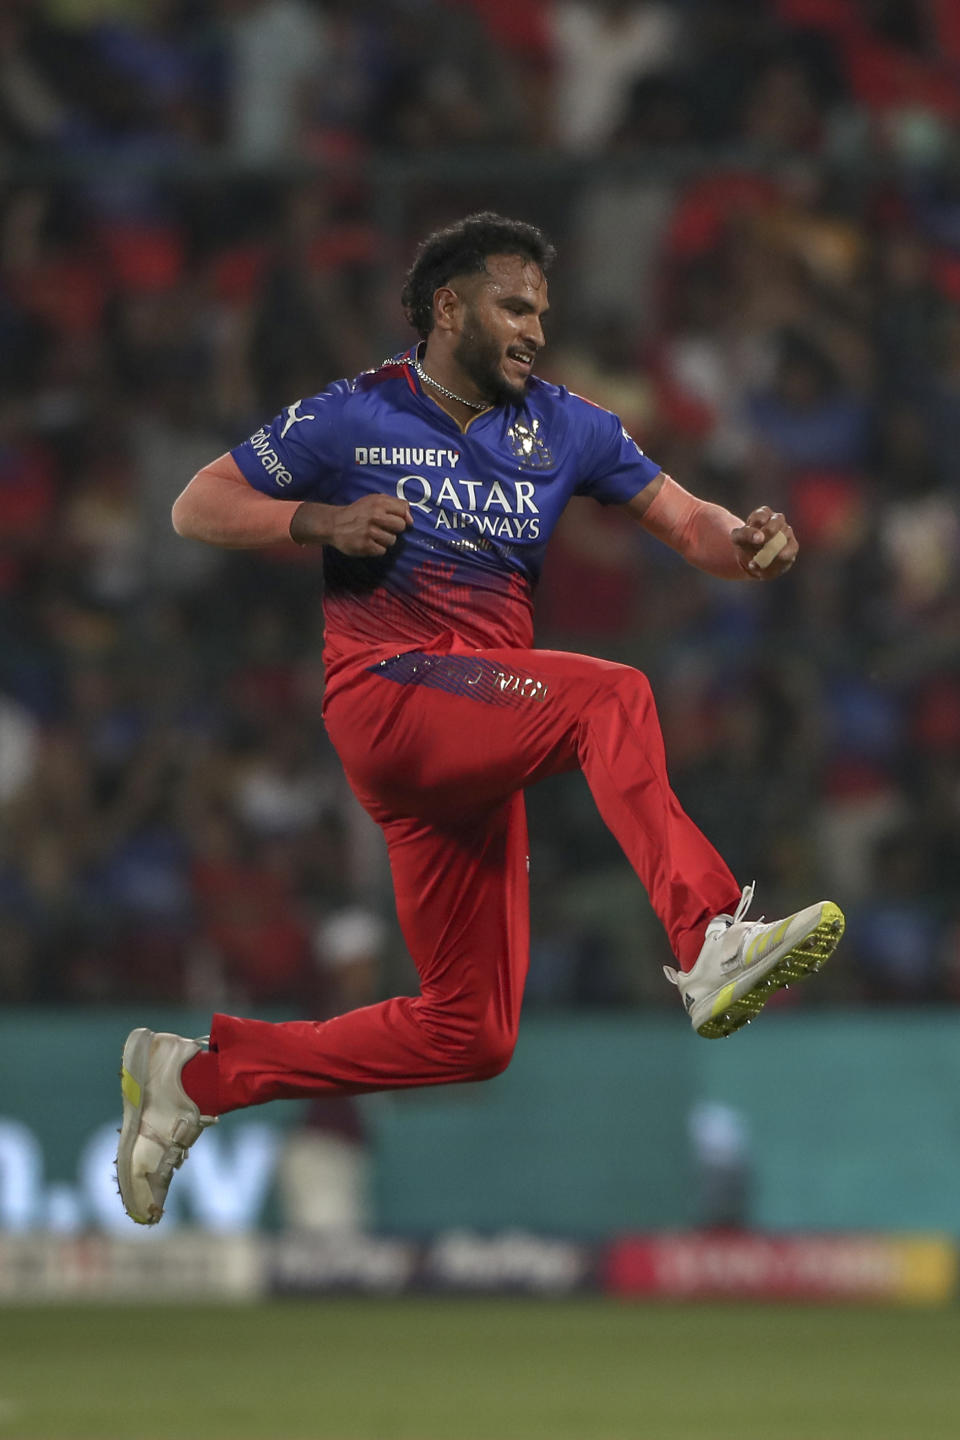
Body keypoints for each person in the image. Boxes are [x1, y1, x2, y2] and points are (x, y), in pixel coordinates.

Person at [116, 212, 845, 1227]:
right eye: (514, 304)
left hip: (473, 738)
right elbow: (199, 504)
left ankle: (194, 1081)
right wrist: (320, 520)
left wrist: (747, 542)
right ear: (448, 306)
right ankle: (709, 934)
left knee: (470, 1034)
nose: (535, 328)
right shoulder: (354, 413)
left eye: (541, 309)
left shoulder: (570, 426)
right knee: (614, 694)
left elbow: (689, 523)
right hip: (389, 691)